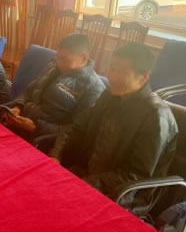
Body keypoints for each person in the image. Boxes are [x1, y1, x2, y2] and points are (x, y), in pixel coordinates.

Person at [48, 43, 178, 216]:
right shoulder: (110, 95)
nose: (112, 77)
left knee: (54, 211)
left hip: (123, 196)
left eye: (122, 72)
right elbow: (77, 127)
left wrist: (83, 183)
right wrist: (56, 155)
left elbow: (135, 175)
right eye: (112, 68)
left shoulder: (156, 117)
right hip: (88, 176)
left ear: (144, 76)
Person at [3, 34, 106, 140]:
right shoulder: (53, 66)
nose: (59, 63)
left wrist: (36, 128)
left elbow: (76, 130)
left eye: (64, 59)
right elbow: (29, 91)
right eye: (58, 57)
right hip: (20, 122)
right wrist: (17, 107)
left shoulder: (93, 88)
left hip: (42, 138)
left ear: (83, 58)